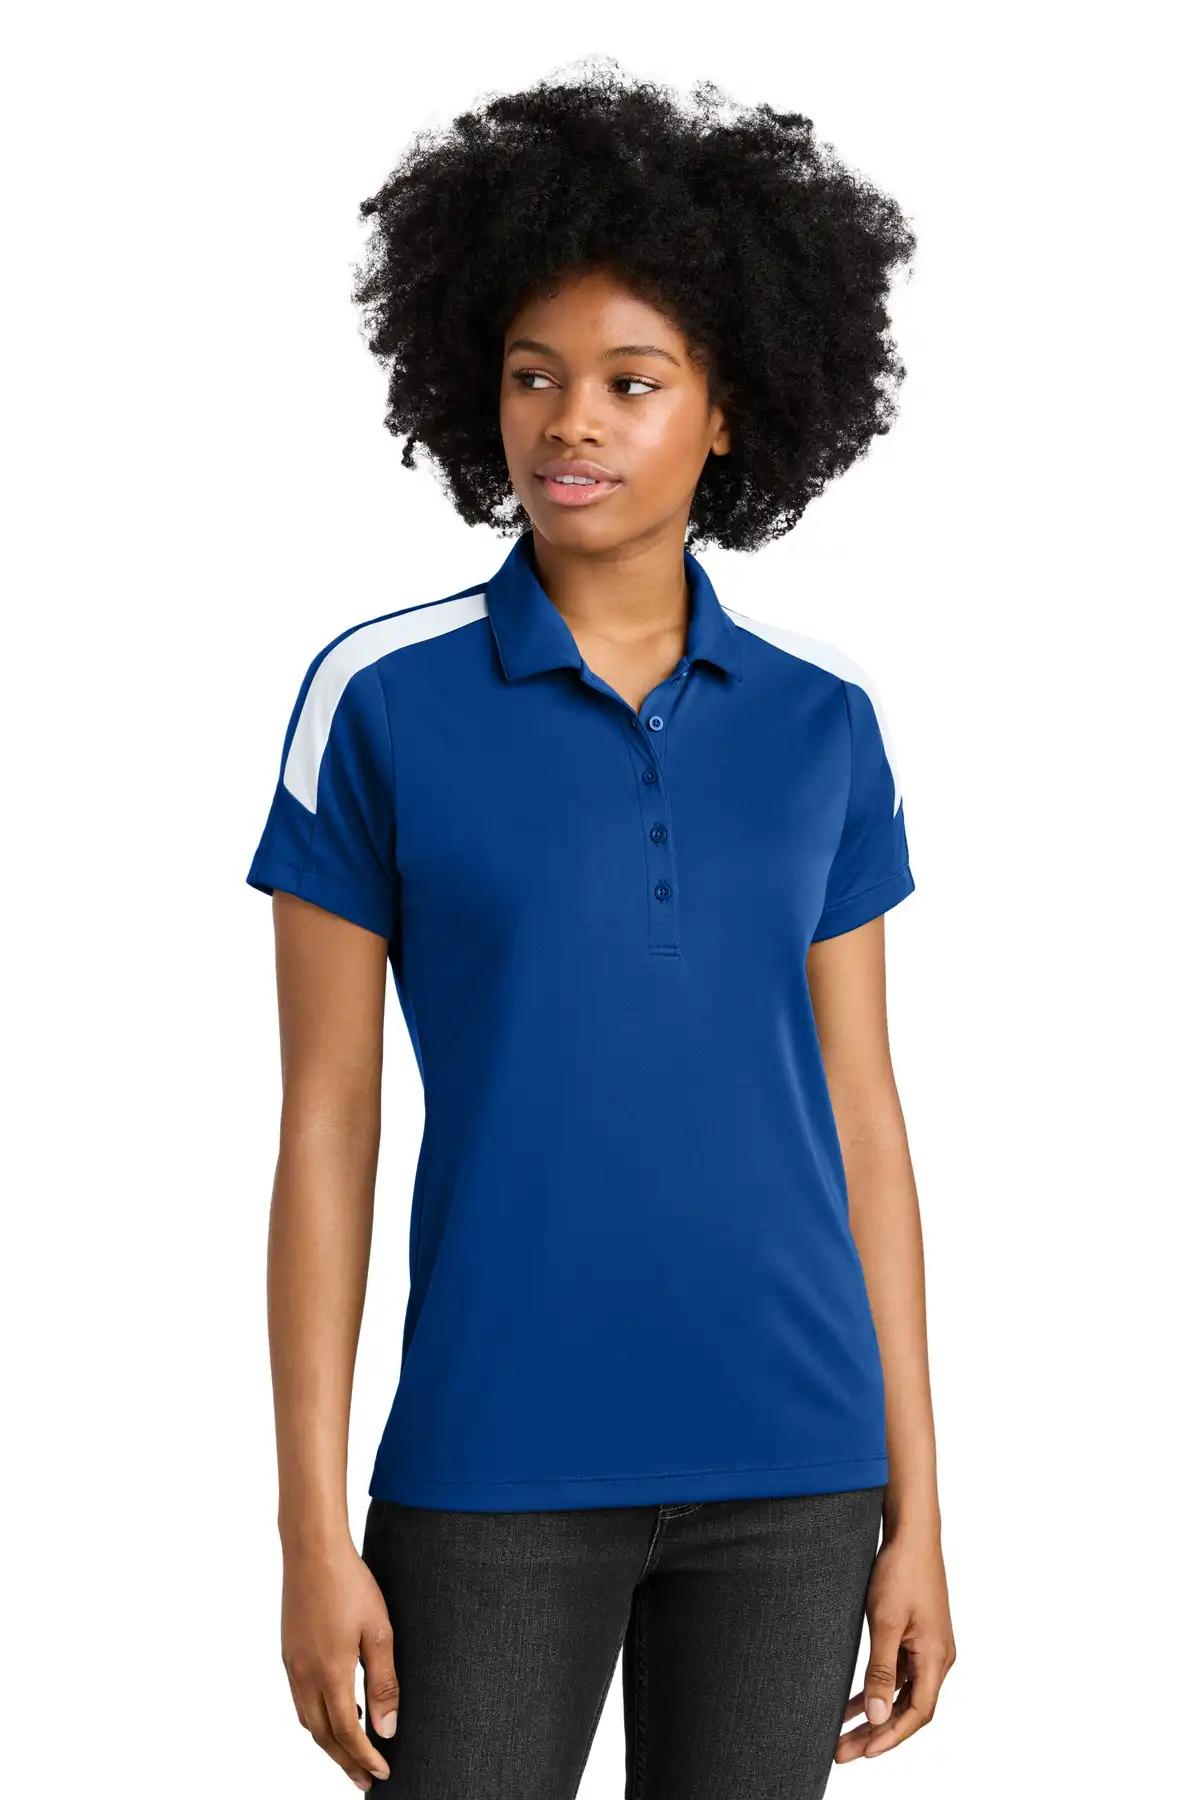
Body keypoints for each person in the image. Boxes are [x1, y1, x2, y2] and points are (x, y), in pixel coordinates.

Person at [245, 59, 955, 1800]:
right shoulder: (379, 700)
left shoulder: (824, 723)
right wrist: (310, 1532)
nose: (572, 422)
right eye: (533, 375)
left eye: (633, 383)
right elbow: (328, 1121)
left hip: (796, 1473)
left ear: (729, 414)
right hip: (490, 1470)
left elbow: (863, 1118)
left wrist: (921, 1513)